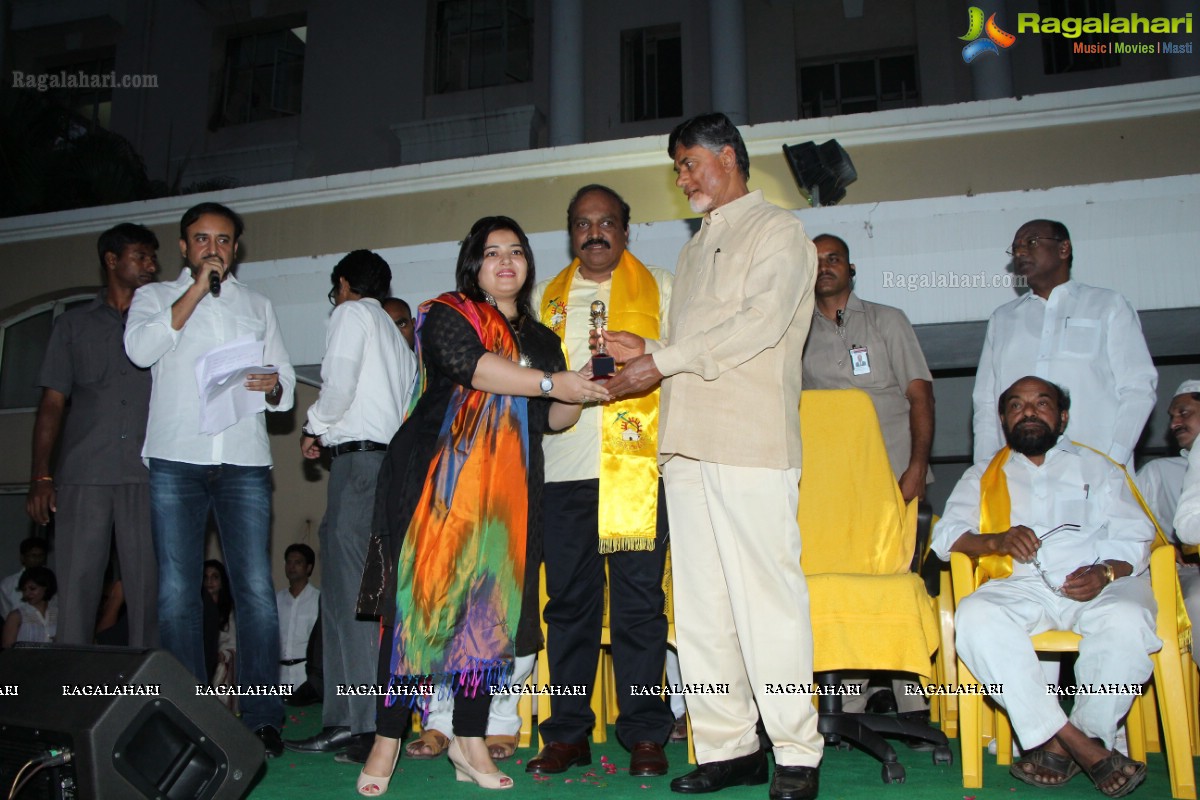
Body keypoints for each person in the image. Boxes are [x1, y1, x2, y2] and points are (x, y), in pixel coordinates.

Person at [604, 112, 822, 800]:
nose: (683, 178)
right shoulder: (696, 250)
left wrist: (663, 359)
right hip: (686, 446)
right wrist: (649, 355)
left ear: (729, 157)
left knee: (768, 601)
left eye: (689, 163)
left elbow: (757, 325)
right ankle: (729, 746)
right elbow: (689, 348)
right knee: (701, 609)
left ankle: (795, 749)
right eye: (677, 168)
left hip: (750, 441)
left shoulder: (781, 232)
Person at [355, 216, 607, 796]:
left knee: (484, 614)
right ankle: (386, 735)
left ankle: (469, 739)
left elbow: (551, 420)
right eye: (492, 252)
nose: (506, 262)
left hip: (504, 496)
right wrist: (551, 384)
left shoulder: (541, 339)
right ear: (473, 264)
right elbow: (472, 368)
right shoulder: (447, 313)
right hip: (432, 483)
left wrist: (586, 387)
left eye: (516, 251)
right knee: (412, 607)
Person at [124, 201, 295, 757]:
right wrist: (195, 290)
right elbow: (140, 349)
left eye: (223, 240)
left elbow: (285, 382)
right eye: (202, 240)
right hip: (178, 456)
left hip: (243, 458)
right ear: (183, 247)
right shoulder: (154, 297)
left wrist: (272, 386)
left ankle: (264, 715)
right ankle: (188, 717)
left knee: (254, 592)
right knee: (177, 593)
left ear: (236, 247)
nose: (213, 249)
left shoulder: (257, 304)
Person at [933, 376, 1157, 797]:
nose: (1029, 412)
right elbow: (947, 538)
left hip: (1099, 582)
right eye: (1016, 406)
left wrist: (1105, 571)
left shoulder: (1101, 467)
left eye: (1041, 403)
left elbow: (1136, 536)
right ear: (1003, 419)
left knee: (1128, 618)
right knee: (977, 617)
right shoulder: (983, 475)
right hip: (1021, 584)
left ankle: (1065, 742)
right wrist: (995, 540)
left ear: (1063, 416)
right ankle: (1083, 746)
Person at [523, 184, 674, 777]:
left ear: (626, 230)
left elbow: (691, 355)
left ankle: (643, 733)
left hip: (638, 473)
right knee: (568, 608)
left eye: (607, 221)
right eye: (583, 223)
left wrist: (649, 348)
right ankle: (566, 733)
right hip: (563, 472)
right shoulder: (542, 296)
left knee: (640, 607)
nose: (595, 233)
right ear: (570, 232)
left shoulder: (661, 282)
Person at [288, 251, 417, 763]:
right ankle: (363, 723)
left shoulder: (350, 314)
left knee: (346, 601)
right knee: (368, 599)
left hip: (359, 469)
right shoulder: (397, 337)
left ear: (343, 284)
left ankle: (355, 724)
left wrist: (312, 425)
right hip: (388, 470)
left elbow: (337, 389)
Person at [800, 232, 934, 719]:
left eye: (834, 258)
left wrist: (917, 466)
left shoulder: (887, 320)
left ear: (851, 268)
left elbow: (920, 395)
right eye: (814, 261)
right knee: (843, 583)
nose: (825, 266)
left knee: (895, 583)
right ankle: (850, 705)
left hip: (895, 479)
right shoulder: (795, 332)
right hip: (832, 491)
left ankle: (910, 700)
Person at [26, 222, 159, 648]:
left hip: (149, 473)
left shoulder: (164, 321)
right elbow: (51, 403)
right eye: (141, 256)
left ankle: (149, 697)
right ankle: (73, 693)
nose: (151, 265)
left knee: (147, 589)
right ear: (112, 260)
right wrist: (41, 477)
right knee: (79, 585)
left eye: (153, 257)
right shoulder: (72, 325)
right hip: (85, 472)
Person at [971, 219, 1157, 467]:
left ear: (1063, 249)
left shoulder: (1107, 305)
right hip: (1018, 474)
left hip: (1094, 468)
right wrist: (985, 469)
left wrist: (1114, 459)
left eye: (1032, 242)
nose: (1020, 252)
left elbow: (1138, 387)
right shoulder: (1002, 319)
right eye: (1015, 248)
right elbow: (986, 403)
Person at [1134, 380, 1200, 664]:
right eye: (1172, 416)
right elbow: (1130, 524)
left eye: (1184, 413)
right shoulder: (1158, 471)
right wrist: (1162, 546)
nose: (1175, 423)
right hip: (1185, 572)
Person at [276, 544, 320, 690]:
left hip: (305, 676)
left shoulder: (318, 599)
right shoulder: (276, 600)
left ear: (309, 568)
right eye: (289, 562)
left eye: (298, 562)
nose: (292, 566)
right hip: (278, 674)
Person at [203, 559, 238, 712]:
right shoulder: (196, 609)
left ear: (223, 581)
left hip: (224, 666)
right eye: (206, 577)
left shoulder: (231, 611)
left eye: (215, 577)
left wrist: (222, 655)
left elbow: (235, 643)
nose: (210, 581)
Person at [1, 566, 58, 647]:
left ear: (46, 587)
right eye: (24, 590)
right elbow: (8, 650)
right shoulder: (17, 616)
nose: (28, 593)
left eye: (32, 589)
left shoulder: (58, 613)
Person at [0, 538, 49, 619]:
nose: (37, 560)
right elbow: (5, 615)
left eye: (41, 555)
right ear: (23, 557)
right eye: (33, 555)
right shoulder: (8, 584)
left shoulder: (52, 581)